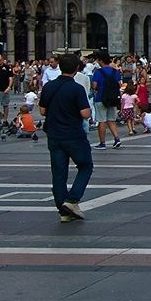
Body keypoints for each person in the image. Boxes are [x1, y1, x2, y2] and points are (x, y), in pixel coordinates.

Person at [40, 52, 95, 220]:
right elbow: (85, 113)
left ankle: (63, 211)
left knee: (58, 172)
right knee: (85, 166)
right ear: (77, 68)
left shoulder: (49, 86)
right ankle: (72, 199)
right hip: (73, 135)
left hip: (54, 135)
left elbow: (42, 111)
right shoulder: (77, 88)